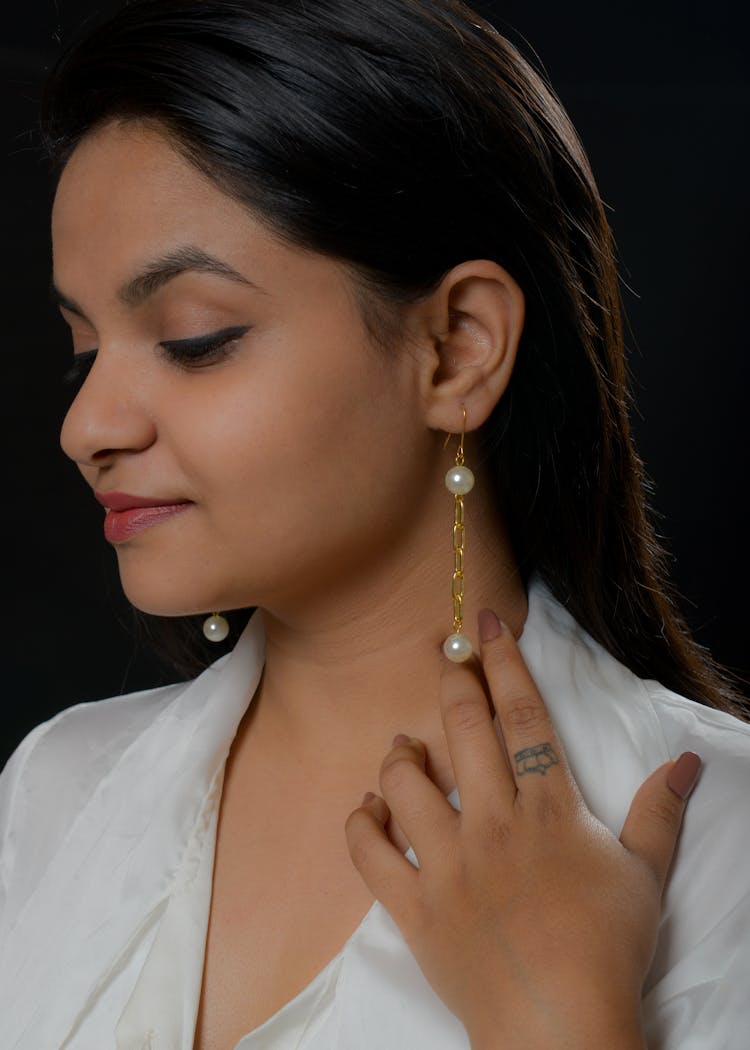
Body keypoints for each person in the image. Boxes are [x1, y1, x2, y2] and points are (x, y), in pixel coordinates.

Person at [0, 0, 748, 1047]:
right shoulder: (55, 791)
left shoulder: (720, 834)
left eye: (194, 337)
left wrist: (567, 1020)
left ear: (457, 349)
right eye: (85, 348)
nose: (87, 425)